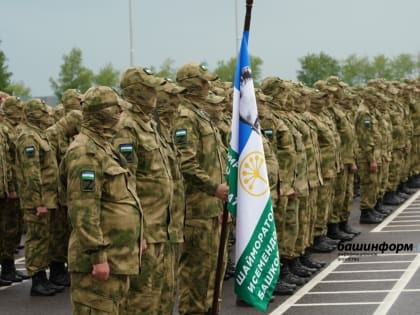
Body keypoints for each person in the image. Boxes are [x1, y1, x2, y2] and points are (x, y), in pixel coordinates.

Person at [59, 86, 143, 314]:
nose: (120, 116)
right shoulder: (84, 153)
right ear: (103, 114)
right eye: (116, 111)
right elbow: (83, 209)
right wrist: (97, 257)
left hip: (118, 257)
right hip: (97, 262)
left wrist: (137, 239)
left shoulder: (105, 147)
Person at [113, 67, 174, 315]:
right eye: (149, 88)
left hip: (161, 226)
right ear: (135, 91)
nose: (154, 93)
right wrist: (137, 232)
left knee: (161, 296)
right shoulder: (126, 127)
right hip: (145, 229)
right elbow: (127, 185)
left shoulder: (148, 124)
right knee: (142, 300)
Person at [174, 62, 228, 315]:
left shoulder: (201, 114)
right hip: (196, 210)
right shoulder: (184, 116)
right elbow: (185, 161)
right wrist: (213, 188)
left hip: (211, 207)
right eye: (203, 81)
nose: (208, 86)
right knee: (195, 277)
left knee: (211, 274)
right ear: (192, 84)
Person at [16, 98, 64, 296]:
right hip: (38, 201)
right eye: (43, 113)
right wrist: (38, 202)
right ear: (35, 114)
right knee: (36, 240)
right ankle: (37, 280)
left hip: (48, 198)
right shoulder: (28, 138)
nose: (47, 116)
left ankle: (43, 278)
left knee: (45, 239)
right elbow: (32, 174)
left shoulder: (39, 135)